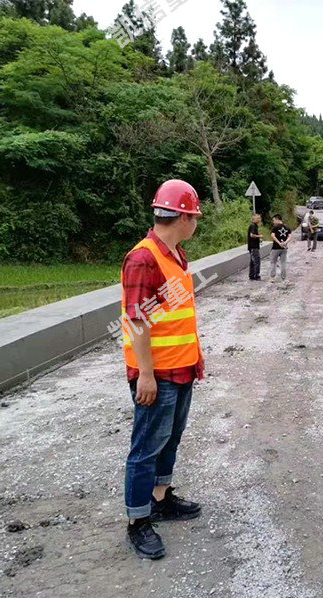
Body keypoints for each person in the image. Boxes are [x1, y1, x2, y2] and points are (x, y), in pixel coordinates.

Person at [120, 179, 205, 560]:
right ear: (183, 216)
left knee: (169, 439)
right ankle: (138, 522)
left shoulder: (175, 254)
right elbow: (137, 322)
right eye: (195, 216)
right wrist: (147, 374)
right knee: (145, 448)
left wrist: (195, 358)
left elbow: (174, 315)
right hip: (159, 375)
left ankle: (160, 498)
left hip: (182, 368)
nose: (196, 223)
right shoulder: (143, 259)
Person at [270, 214, 292, 282]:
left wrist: (279, 243)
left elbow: (272, 236)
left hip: (275, 248)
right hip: (284, 248)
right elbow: (290, 236)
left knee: (273, 262)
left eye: (274, 220)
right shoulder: (287, 227)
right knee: (283, 263)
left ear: (277, 219)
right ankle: (283, 278)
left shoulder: (275, 227)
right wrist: (285, 242)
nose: (273, 222)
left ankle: (272, 278)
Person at [248, 214, 262, 280]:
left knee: (252, 261)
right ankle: (256, 275)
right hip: (253, 247)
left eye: (259, 218)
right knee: (256, 261)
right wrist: (259, 236)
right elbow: (251, 235)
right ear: (254, 219)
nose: (259, 219)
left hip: (253, 246)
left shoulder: (254, 226)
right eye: (258, 218)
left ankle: (251, 275)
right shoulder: (253, 226)